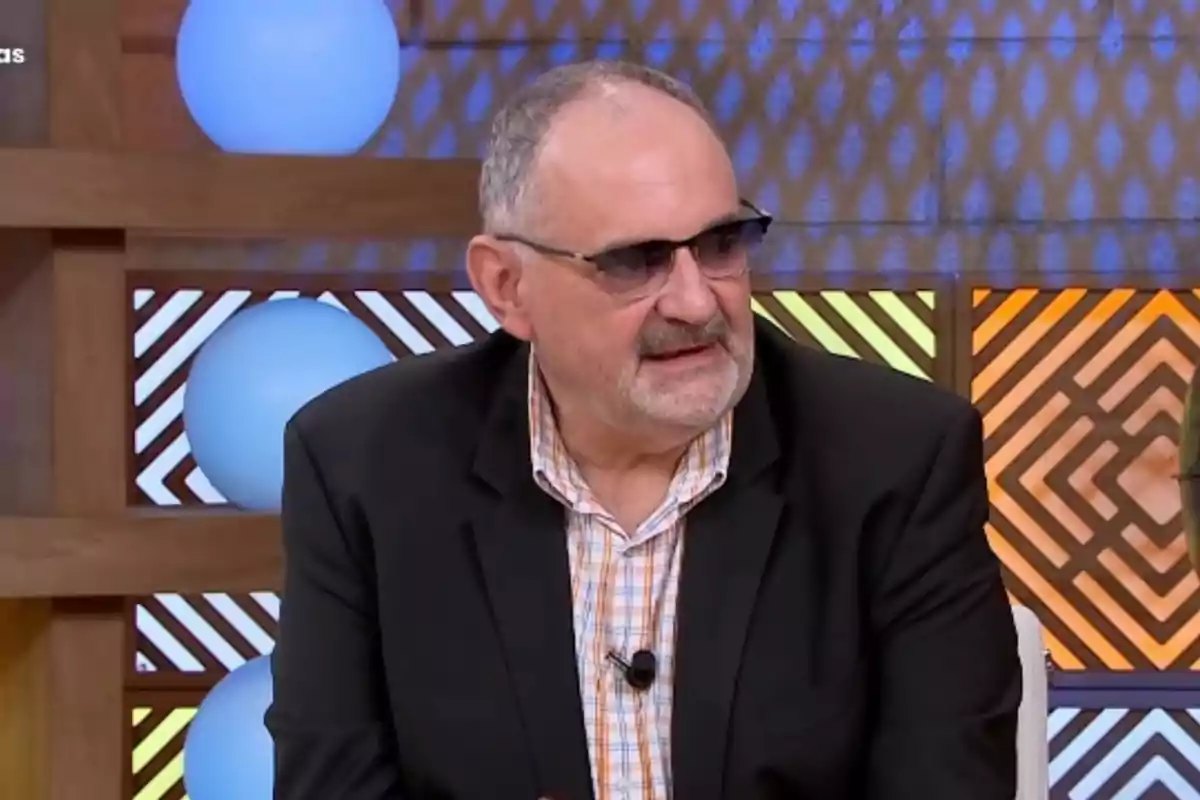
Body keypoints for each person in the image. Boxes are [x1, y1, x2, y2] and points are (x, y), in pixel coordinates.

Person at [266, 60, 1022, 799]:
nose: (696, 302)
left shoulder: (896, 463)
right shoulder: (363, 470)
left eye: (721, 245)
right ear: (508, 286)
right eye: (637, 260)